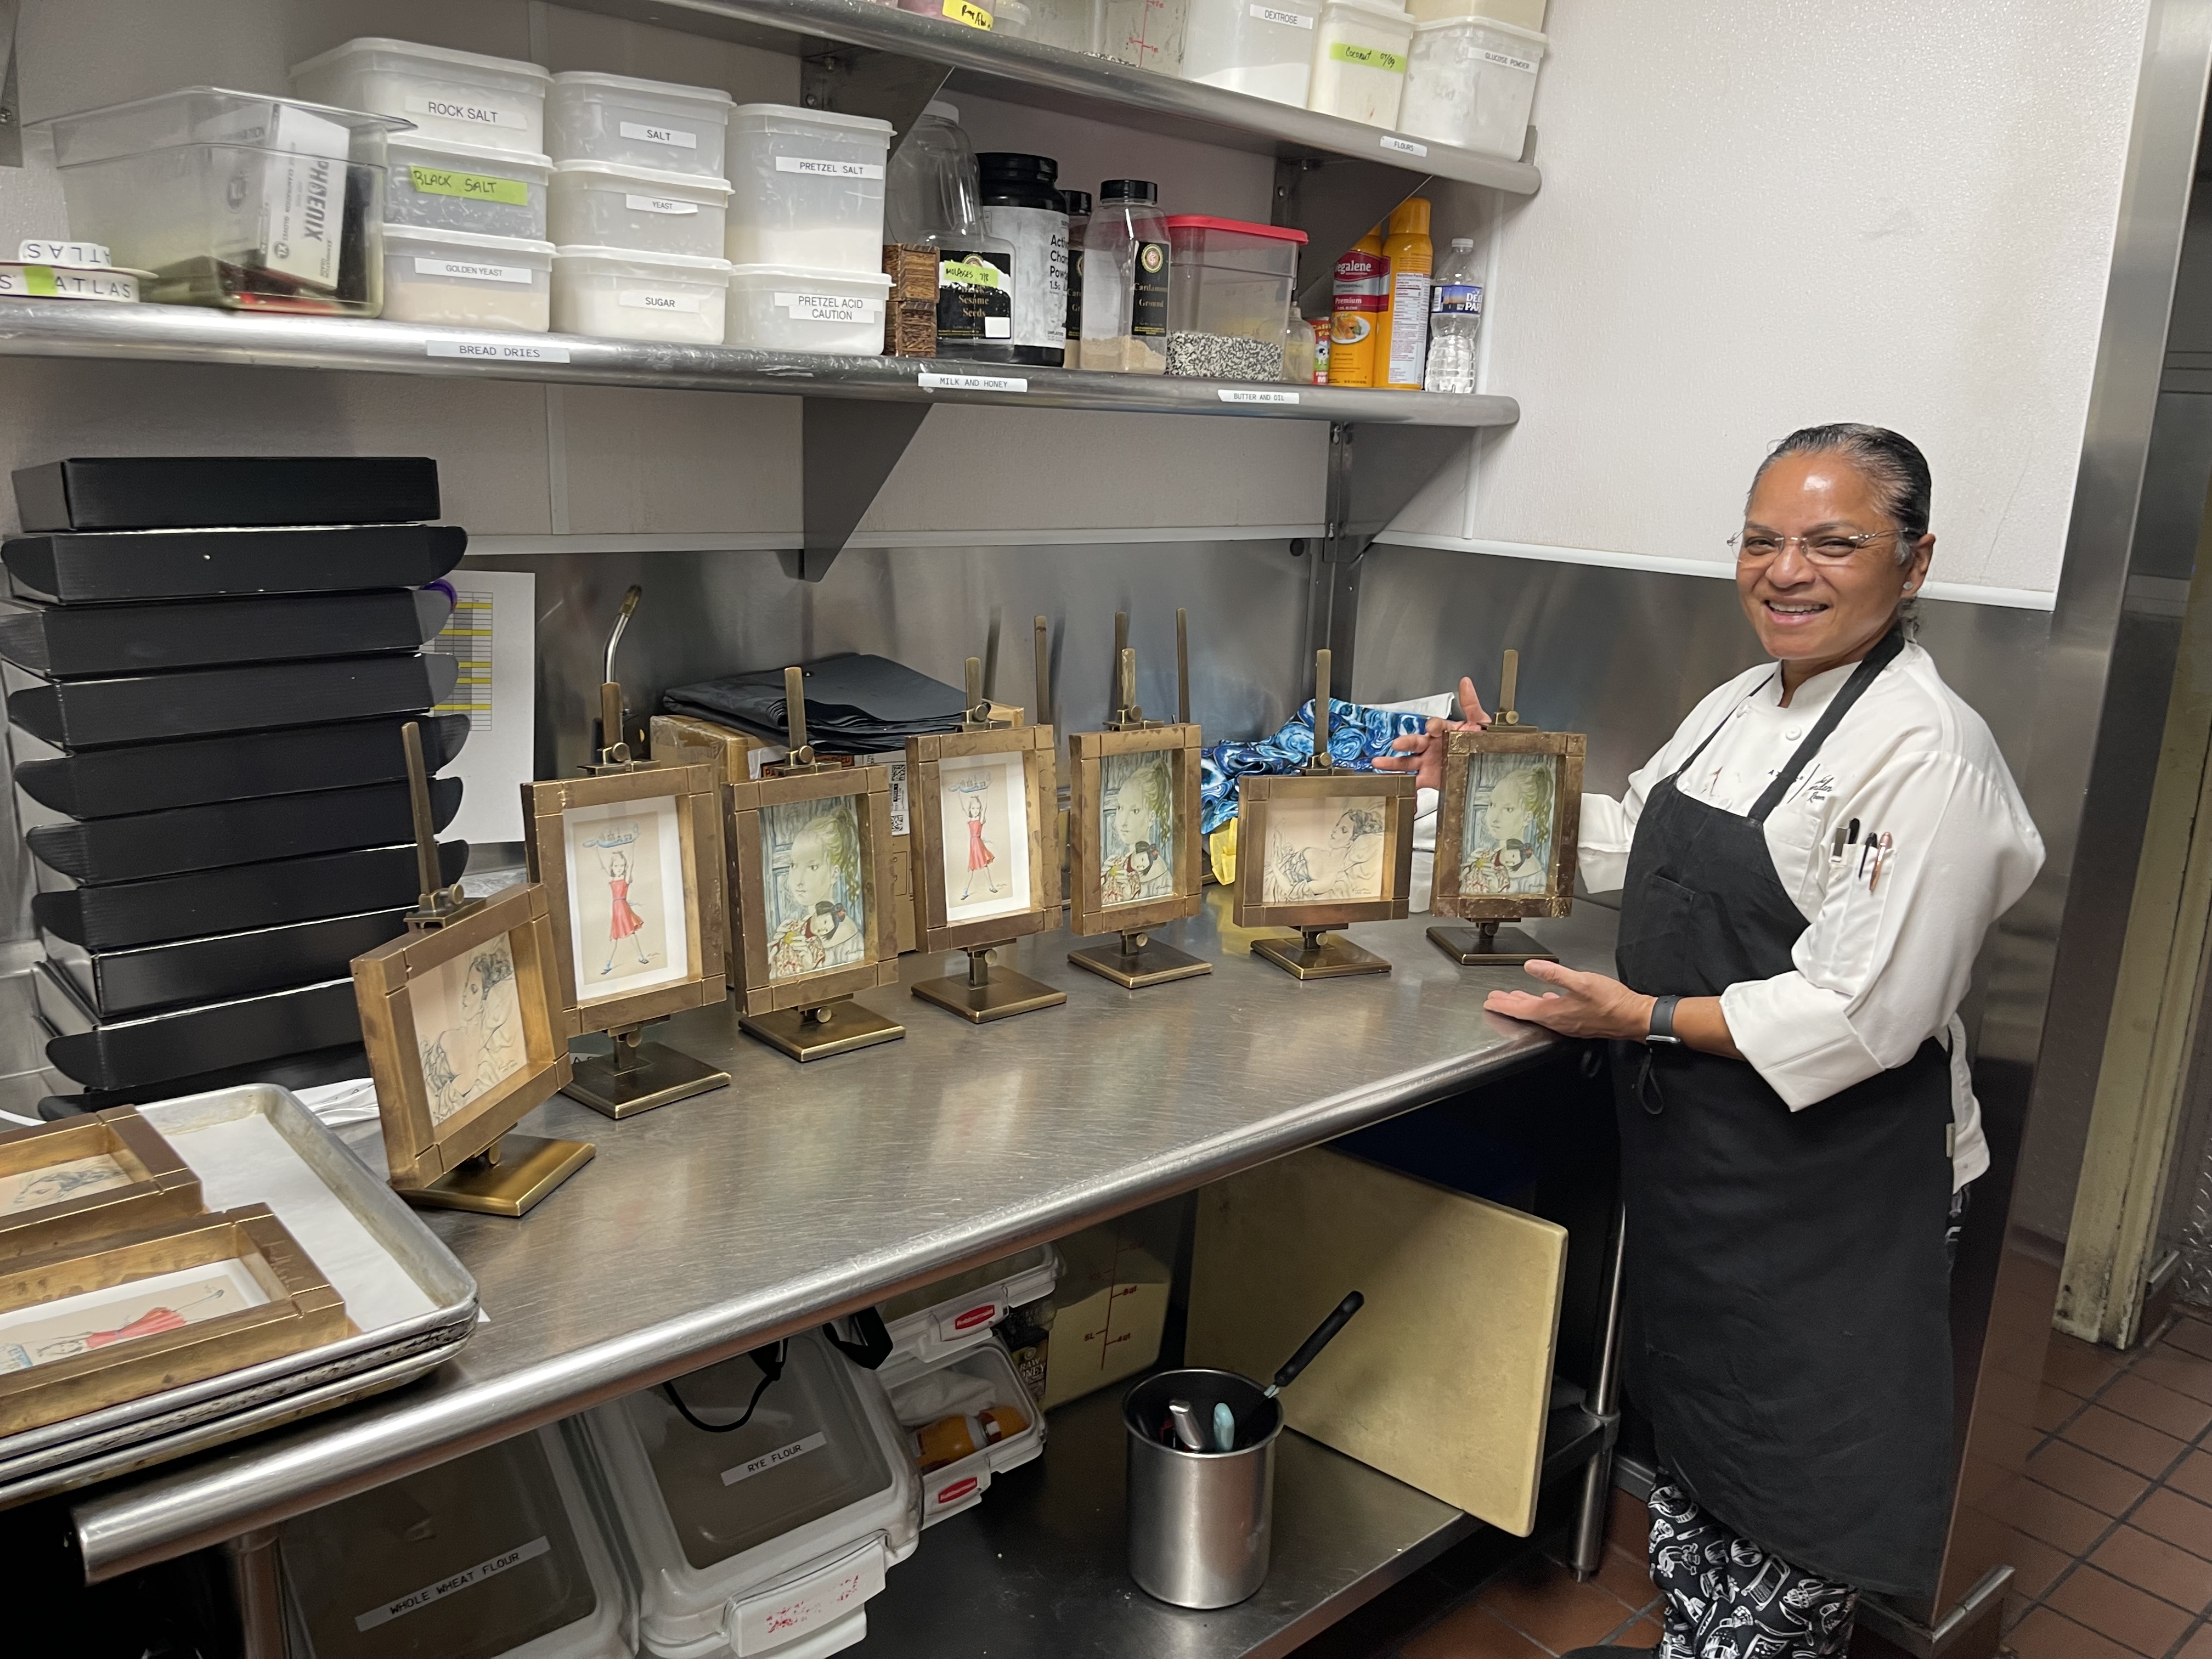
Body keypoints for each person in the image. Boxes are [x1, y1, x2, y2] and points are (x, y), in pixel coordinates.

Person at [1379, 425, 2044, 1659]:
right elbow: (1639, 840)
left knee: (1801, 1494)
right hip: (1713, 1166)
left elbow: (1864, 1011)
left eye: (1832, 542)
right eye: (1762, 540)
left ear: (1915, 560)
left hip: (1841, 1189)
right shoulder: (1742, 699)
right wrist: (1493, 785)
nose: (1787, 571)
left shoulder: (1928, 754)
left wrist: (1640, 1019)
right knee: (1701, 1450)